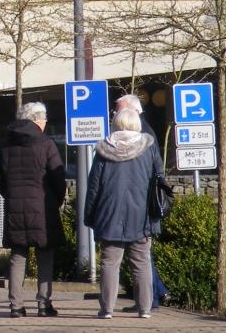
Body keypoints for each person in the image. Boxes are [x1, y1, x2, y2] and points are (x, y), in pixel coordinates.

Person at [85, 108, 163, 320]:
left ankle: (107, 309)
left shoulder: (104, 150)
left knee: (110, 263)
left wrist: (89, 215)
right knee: (142, 261)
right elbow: (159, 180)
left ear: (115, 123)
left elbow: (94, 187)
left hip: (110, 213)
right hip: (142, 214)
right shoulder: (149, 148)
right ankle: (145, 308)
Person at [0, 102, 66, 318]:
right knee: (45, 255)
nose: (45, 123)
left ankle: (16, 306)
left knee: (18, 256)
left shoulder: (5, 145)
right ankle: (44, 305)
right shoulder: (46, 144)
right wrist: (56, 199)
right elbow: (58, 178)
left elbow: (0, 180)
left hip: (16, 205)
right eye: (44, 119)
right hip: (42, 207)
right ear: (37, 119)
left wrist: (12, 195)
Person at [114, 94, 171, 311]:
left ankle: (153, 298)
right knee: (142, 254)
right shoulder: (143, 132)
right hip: (142, 204)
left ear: (133, 112)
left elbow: (154, 170)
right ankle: (156, 293)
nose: (115, 114)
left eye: (119, 110)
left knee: (141, 254)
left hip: (143, 204)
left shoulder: (142, 135)